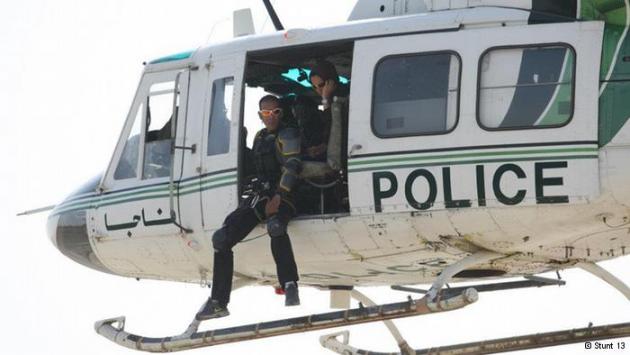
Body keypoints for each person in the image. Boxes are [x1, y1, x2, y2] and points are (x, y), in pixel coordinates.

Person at [195, 95, 302, 321]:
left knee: (275, 226)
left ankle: (290, 285)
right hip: (259, 196)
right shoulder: (260, 137)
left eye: (275, 112)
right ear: (259, 116)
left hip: (285, 195)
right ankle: (218, 303)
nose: (270, 117)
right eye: (265, 113)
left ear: (282, 113)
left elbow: (292, 165)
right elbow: (255, 166)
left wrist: (280, 196)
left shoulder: (288, 134)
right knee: (221, 239)